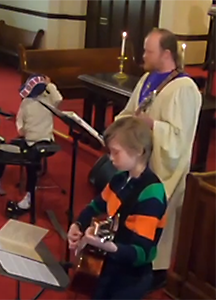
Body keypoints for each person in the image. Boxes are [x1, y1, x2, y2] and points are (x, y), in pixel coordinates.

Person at [114, 28, 202, 290]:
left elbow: (179, 137)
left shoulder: (185, 88)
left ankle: (155, 271)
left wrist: (152, 124)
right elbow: (130, 112)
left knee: (155, 220)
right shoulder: (148, 79)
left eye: (148, 51)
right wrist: (119, 130)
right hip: (141, 162)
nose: (143, 55)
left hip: (165, 168)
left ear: (166, 53)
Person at [68, 116, 167, 300]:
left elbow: (141, 252)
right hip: (110, 264)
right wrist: (78, 225)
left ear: (138, 151)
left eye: (116, 152)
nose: (110, 159)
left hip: (131, 277)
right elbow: (96, 205)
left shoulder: (151, 193)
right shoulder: (121, 178)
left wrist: (107, 247)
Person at [0, 74, 63, 215]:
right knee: (2, 149)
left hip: (43, 140)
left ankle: (29, 197)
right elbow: (19, 121)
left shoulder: (49, 100)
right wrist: (21, 130)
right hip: (27, 139)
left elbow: (59, 98)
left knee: (32, 162)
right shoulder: (25, 103)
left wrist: (49, 84)